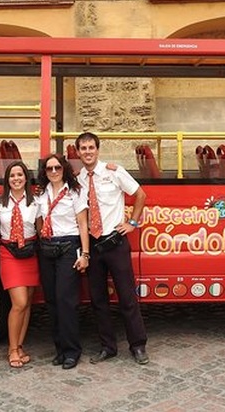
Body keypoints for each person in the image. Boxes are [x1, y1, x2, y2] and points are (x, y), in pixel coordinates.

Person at [75, 132, 149, 365]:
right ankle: (108, 346)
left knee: (127, 297)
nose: (87, 152)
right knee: (98, 300)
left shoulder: (114, 171)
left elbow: (140, 194)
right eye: (83, 148)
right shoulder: (78, 179)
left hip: (115, 243)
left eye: (91, 148)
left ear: (98, 150)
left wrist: (133, 223)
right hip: (93, 245)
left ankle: (138, 345)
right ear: (78, 152)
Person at [35, 153, 90, 370]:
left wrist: (85, 254)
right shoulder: (41, 194)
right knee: (52, 301)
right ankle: (59, 349)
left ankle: (71, 351)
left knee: (66, 300)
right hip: (47, 247)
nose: (54, 172)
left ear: (64, 169)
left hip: (69, 246)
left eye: (58, 167)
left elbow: (83, 224)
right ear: (45, 172)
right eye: (49, 169)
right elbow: (39, 223)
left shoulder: (75, 192)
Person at [0, 161, 40, 369]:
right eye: (12, 175)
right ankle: (12, 349)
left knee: (28, 302)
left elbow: (41, 230)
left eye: (20, 175)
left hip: (30, 253)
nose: (16, 179)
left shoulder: (36, 202)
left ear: (26, 177)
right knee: (19, 302)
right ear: (7, 180)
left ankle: (20, 345)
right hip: (9, 253)